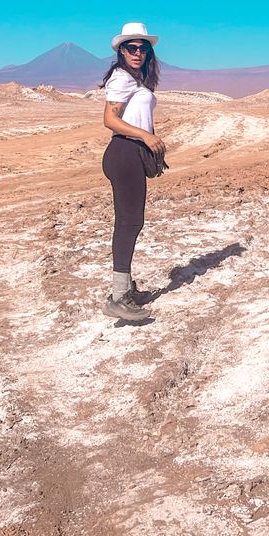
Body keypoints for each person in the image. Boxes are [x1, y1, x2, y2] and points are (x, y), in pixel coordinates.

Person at [100, 21, 166, 322]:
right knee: (128, 222)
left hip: (131, 152)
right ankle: (117, 298)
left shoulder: (136, 80)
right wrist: (145, 136)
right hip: (124, 152)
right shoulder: (121, 78)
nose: (137, 52)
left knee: (132, 222)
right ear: (121, 51)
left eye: (143, 48)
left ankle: (125, 289)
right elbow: (109, 120)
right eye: (131, 48)